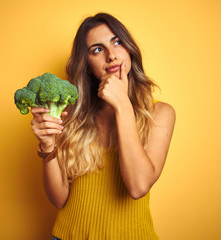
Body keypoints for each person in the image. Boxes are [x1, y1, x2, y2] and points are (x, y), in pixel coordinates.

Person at [30, 13, 175, 240]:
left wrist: (122, 105)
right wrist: (48, 145)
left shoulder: (160, 114)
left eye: (117, 42)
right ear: (87, 65)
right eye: (97, 50)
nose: (111, 55)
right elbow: (59, 199)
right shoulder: (72, 114)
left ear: (129, 49)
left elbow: (138, 187)